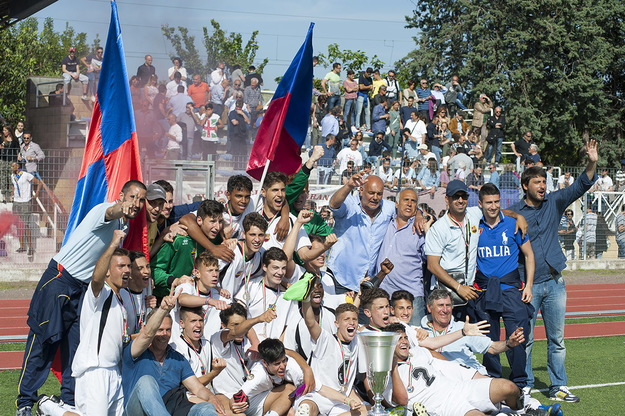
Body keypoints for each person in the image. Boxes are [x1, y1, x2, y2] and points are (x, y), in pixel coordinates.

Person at [16, 181, 146, 414]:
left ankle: (69, 400)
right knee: (43, 343)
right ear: (120, 196)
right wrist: (120, 208)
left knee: (76, 348)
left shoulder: (122, 228)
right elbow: (111, 211)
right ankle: (25, 403)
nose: (136, 204)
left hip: (84, 290)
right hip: (61, 279)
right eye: (132, 198)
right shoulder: (104, 211)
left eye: (141, 200)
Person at [509, 140, 598, 403]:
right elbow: (489, 212)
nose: (542, 186)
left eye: (544, 182)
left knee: (557, 339)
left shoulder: (554, 202)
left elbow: (581, 184)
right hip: (527, 285)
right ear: (525, 186)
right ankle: (523, 386)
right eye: (536, 182)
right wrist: (511, 214)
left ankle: (558, 385)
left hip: (555, 283)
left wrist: (591, 161)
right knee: (524, 340)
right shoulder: (514, 212)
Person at [386, 322, 551, 416]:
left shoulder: (420, 351)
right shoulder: (387, 370)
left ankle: (524, 410)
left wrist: (465, 375)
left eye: (405, 338)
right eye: (398, 339)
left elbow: (447, 364)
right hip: (443, 407)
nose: (404, 342)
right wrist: (393, 364)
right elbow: (401, 400)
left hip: (458, 388)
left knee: (508, 387)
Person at [425, 180, 526, 321]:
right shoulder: (438, 228)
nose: (460, 200)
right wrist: (459, 287)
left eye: (464, 196)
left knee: (471, 337)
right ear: (447, 199)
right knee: (446, 336)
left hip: (470, 291)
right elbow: (432, 265)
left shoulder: (474, 213)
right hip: (446, 291)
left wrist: (518, 216)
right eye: (456, 196)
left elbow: (495, 210)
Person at [121, 290, 224, 415]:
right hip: (137, 410)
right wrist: (164, 309)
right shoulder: (135, 352)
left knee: (206, 409)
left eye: (168, 330)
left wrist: (211, 398)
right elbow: (147, 334)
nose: (164, 334)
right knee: (146, 381)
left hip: (170, 408)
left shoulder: (177, 358)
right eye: (159, 330)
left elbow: (197, 387)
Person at [474, 183, 535, 391]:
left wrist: (529, 286)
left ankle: (520, 381)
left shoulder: (513, 224)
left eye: (497, 202)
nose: (493, 206)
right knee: (488, 339)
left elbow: (529, 255)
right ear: (480, 204)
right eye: (489, 202)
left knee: (517, 335)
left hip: (510, 288)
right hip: (484, 291)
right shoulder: (473, 225)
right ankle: (492, 380)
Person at [70, 232, 133, 415]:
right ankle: (52, 409)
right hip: (94, 371)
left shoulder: (123, 299)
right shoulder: (100, 293)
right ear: (107, 270)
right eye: (121, 266)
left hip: (115, 371)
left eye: (128, 266)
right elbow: (96, 279)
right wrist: (113, 243)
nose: (127, 270)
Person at [294, 298, 368, 416]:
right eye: (346, 319)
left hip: (339, 401)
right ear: (336, 323)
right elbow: (310, 322)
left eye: (354, 319)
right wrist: (306, 299)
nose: (352, 322)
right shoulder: (326, 339)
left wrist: (359, 295)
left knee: (364, 413)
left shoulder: (357, 341)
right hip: (316, 395)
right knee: (306, 409)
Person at [326, 173, 395, 292]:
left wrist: (419, 215)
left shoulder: (388, 208)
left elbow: (408, 209)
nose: (375, 197)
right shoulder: (350, 205)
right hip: (341, 280)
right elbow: (333, 204)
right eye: (371, 193)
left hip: (368, 283)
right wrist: (349, 186)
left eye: (379, 194)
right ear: (361, 191)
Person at [376, 189, 429, 324]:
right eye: (406, 200)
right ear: (397, 203)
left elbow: (430, 257)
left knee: (416, 339)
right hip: (383, 293)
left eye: (413, 201)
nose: (409, 204)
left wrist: (426, 230)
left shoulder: (420, 229)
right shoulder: (386, 221)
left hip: (411, 296)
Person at [152, 200, 224, 298]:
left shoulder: (215, 238)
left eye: (220, 222)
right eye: (212, 221)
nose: (217, 227)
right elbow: (153, 270)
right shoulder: (178, 239)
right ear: (199, 220)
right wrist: (175, 281)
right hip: (168, 299)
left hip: (195, 298)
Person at [218, 212, 267, 298]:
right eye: (252, 235)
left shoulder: (261, 254)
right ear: (244, 234)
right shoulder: (230, 250)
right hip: (218, 300)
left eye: (261, 235)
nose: (257, 239)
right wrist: (218, 289)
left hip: (237, 301)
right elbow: (206, 273)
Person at [10, 161, 41, 256]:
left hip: (25, 202)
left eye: (13, 166)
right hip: (16, 202)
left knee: (26, 225)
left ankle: (31, 248)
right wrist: (12, 194)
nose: (11, 167)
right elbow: (14, 186)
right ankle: (22, 246)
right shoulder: (12, 176)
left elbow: (39, 182)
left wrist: (36, 194)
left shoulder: (26, 175)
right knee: (18, 225)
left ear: (18, 166)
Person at [355, 68, 373, 132]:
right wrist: (368, 87)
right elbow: (361, 87)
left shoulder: (370, 79)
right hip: (361, 95)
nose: (369, 75)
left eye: (370, 74)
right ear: (366, 72)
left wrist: (367, 87)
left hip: (366, 96)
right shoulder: (361, 77)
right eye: (368, 74)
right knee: (358, 112)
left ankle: (368, 127)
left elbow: (371, 88)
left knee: (367, 112)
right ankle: (357, 125)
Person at [342, 69, 358, 134]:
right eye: (351, 75)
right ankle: (345, 124)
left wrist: (352, 89)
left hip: (354, 98)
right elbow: (348, 90)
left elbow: (357, 88)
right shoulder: (345, 82)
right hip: (348, 98)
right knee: (347, 112)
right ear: (348, 75)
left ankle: (352, 125)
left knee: (353, 112)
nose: (353, 77)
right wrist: (353, 89)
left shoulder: (355, 82)